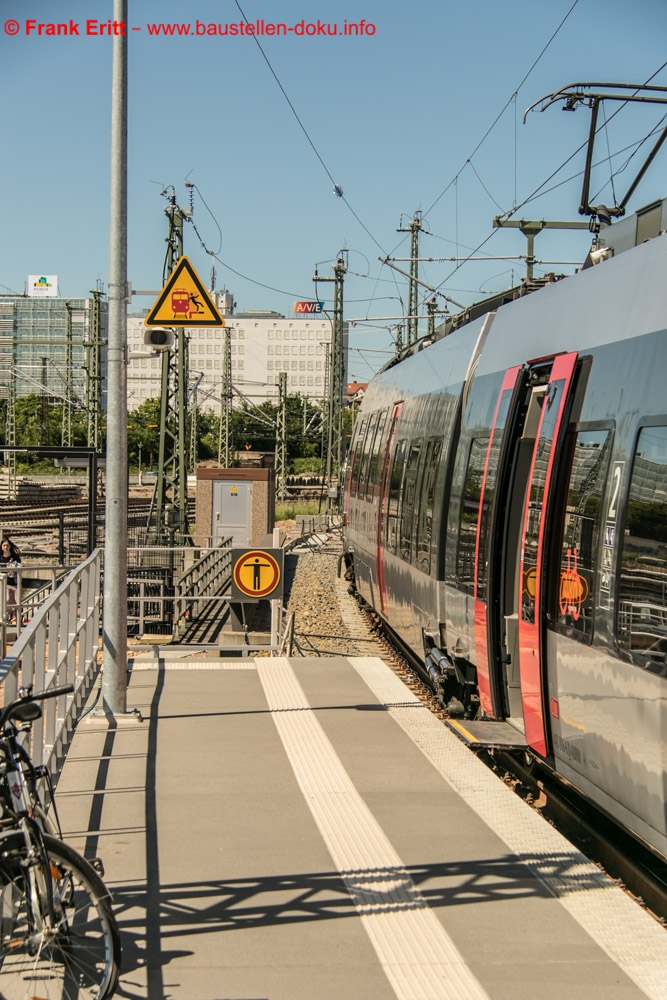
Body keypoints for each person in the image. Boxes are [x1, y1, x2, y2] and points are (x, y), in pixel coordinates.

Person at [0, 537, 22, 623]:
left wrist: (14, 568)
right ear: (1, 547)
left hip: (14, 582)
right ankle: (7, 616)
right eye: (4, 545)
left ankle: (18, 619)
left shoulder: (15, 557)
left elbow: (20, 566)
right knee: (7, 599)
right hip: (5, 583)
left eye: (7, 545)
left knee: (18, 601)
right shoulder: (0, 558)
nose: (6, 547)